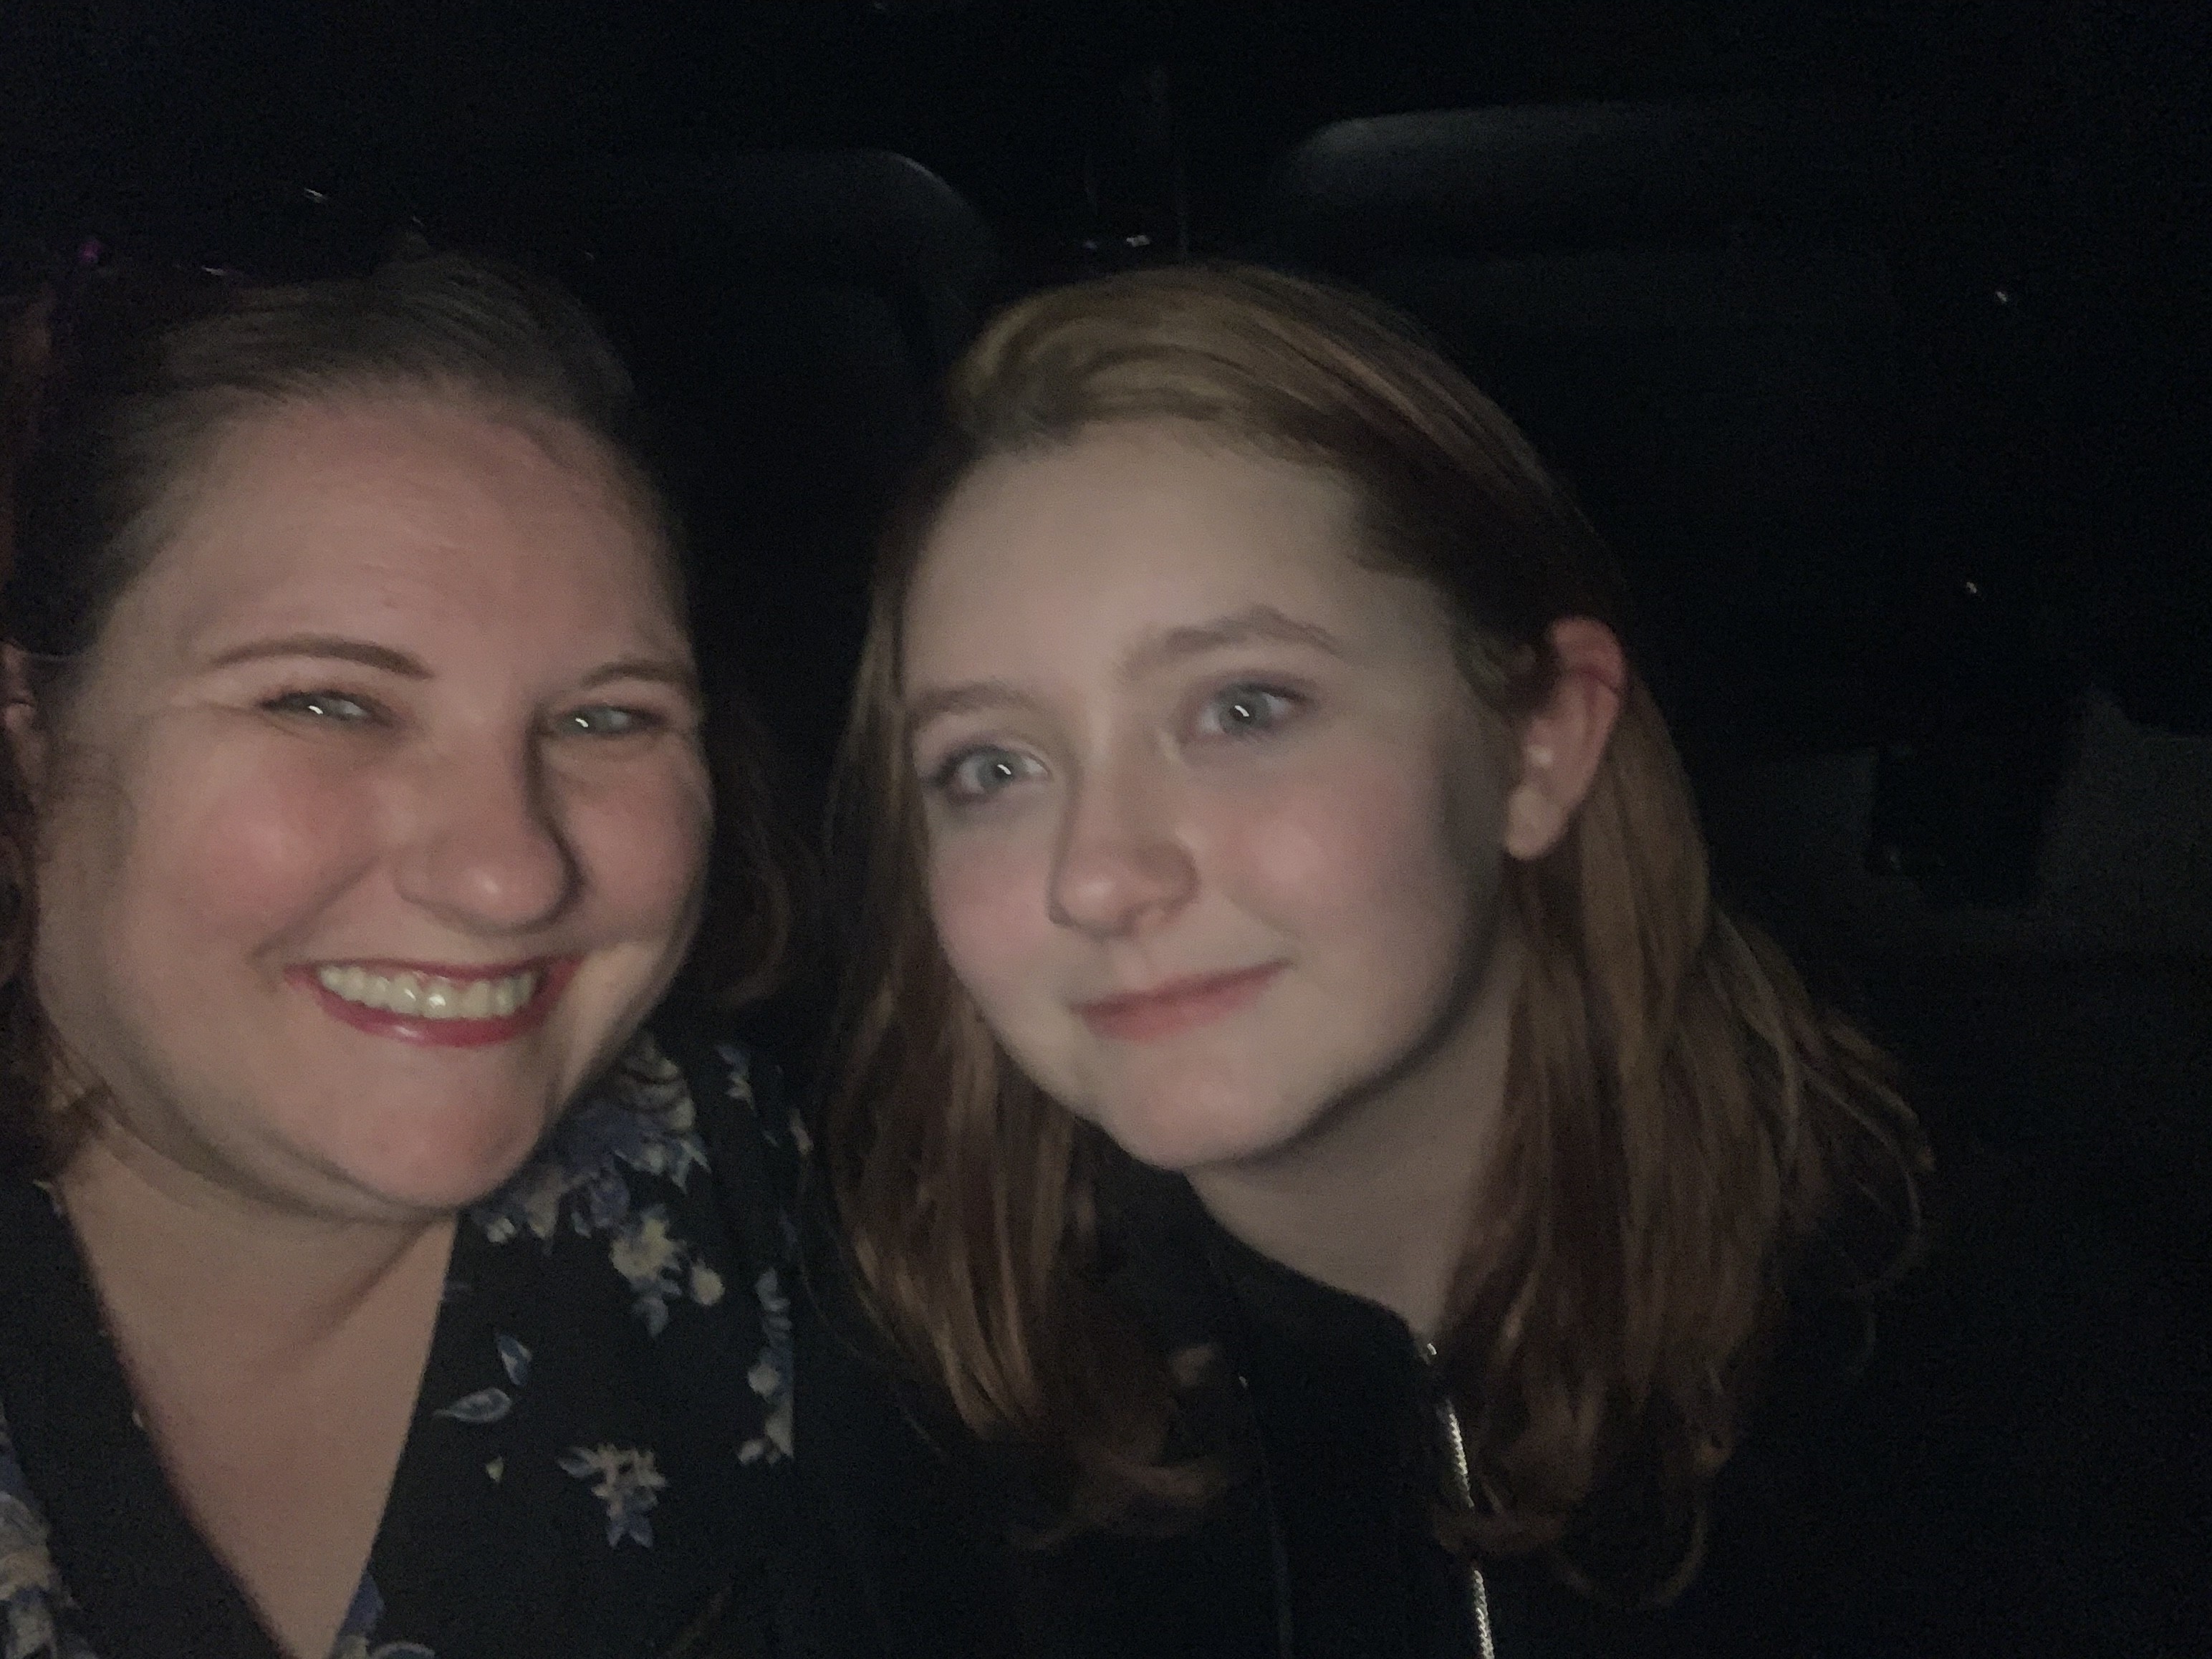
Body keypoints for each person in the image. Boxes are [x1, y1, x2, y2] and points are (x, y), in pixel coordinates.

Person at [802, 264, 1931, 1657]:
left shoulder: (1972, 1341)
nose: (1094, 875)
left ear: (1539, 743)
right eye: (991, 766)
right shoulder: (905, 1382)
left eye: (1243, 708)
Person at [0, 249, 810, 1659]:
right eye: (326, 702)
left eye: (606, 719)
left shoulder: (781, 1214)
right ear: (32, 743)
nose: (509, 873)